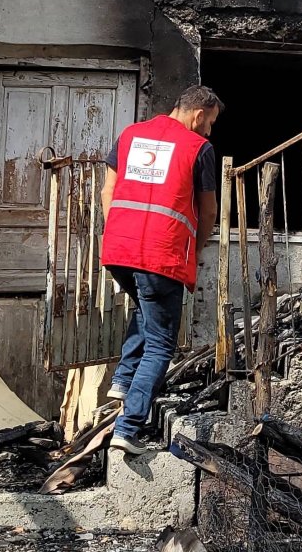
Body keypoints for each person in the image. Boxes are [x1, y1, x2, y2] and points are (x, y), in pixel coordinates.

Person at [100, 85, 221, 455]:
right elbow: (209, 211)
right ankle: (129, 426)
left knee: (144, 306)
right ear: (199, 115)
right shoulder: (199, 148)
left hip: (118, 251)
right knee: (161, 343)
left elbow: (108, 190)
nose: (210, 131)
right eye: (210, 122)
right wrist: (194, 251)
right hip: (162, 255)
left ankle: (122, 380)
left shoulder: (130, 135)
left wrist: (118, 231)